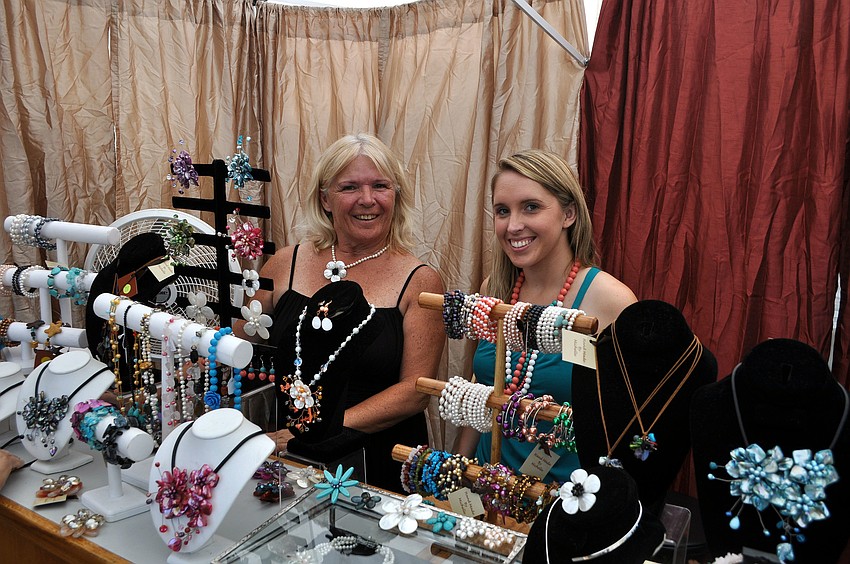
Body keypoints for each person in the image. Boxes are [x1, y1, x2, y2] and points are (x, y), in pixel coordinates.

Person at [252, 133, 445, 491]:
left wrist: (310, 431)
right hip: (282, 457)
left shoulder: (421, 280)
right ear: (325, 198)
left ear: (396, 195)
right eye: (350, 187)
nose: (367, 200)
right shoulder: (283, 264)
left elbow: (414, 392)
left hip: (375, 462)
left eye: (380, 186)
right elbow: (242, 347)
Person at [456, 148, 637, 483]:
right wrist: (455, 476)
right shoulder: (493, 289)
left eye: (531, 207)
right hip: (486, 485)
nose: (513, 226)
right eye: (502, 211)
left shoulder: (609, 302)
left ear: (568, 214)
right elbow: (479, 395)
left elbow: (625, 423)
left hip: (563, 499)